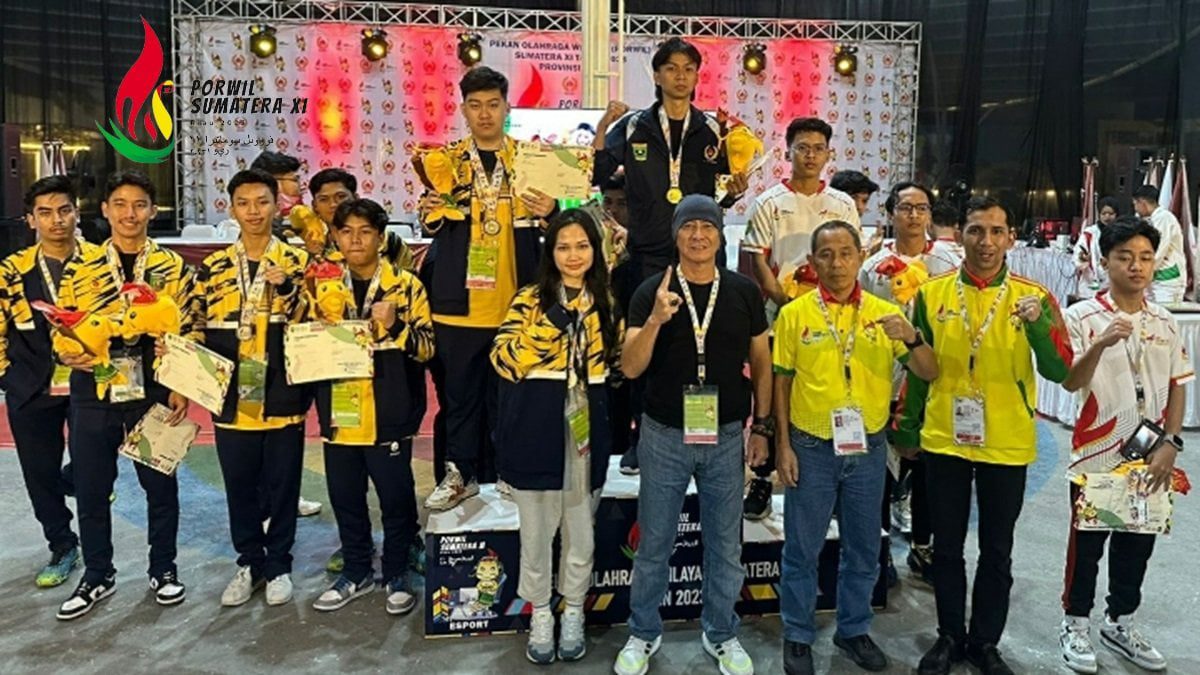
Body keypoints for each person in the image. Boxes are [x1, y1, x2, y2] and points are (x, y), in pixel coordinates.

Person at [895, 195, 1073, 675]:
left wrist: (1039, 327)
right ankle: (950, 636)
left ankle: (985, 642)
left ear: (1011, 238)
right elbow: (918, 368)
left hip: (1007, 440)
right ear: (960, 236)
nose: (986, 241)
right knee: (946, 547)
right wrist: (907, 427)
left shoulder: (1033, 298)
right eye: (976, 230)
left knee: (997, 549)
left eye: (997, 231)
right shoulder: (930, 294)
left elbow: (1059, 370)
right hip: (944, 437)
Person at [614, 195, 770, 675]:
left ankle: (721, 632)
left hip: (725, 436)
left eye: (707, 226)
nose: (698, 235)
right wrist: (656, 321)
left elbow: (762, 363)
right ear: (675, 234)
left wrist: (762, 427)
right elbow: (630, 366)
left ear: (721, 235)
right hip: (663, 435)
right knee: (654, 543)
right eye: (688, 226)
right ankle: (643, 632)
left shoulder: (743, 292)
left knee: (725, 545)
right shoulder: (651, 291)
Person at [775, 221, 938, 675]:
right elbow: (781, 383)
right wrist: (782, 445)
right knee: (802, 549)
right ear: (813, 261)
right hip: (810, 446)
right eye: (826, 255)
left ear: (859, 258)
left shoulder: (886, 314)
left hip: (867, 448)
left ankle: (853, 629)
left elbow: (928, 371)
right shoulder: (795, 314)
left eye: (846, 253)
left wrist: (911, 336)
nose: (837, 264)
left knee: (864, 549)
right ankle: (797, 634)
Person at [52, 170, 195, 620]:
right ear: (105, 210)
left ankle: (164, 569)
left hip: (153, 388)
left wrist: (179, 385)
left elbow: (189, 328)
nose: (129, 214)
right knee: (92, 488)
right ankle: (98, 574)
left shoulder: (172, 267)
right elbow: (63, 322)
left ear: (153, 211)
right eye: (120, 204)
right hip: (94, 389)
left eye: (139, 205)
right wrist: (67, 350)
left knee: (160, 485)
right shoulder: (82, 266)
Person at [419, 66, 558, 510]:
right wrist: (431, 209)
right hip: (457, 307)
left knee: (514, 399)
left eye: (493, 105)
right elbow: (428, 221)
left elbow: (559, 223)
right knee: (460, 400)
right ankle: (460, 474)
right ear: (463, 110)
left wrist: (553, 209)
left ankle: (510, 474)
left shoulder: (530, 160)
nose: (484, 114)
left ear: (506, 108)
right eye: (475, 105)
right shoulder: (445, 163)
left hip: (517, 305)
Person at [490, 208, 622, 664]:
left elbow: (618, 364)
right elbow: (504, 360)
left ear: (596, 250)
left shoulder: (606, 300)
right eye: (563, 246)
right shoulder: (529, 299)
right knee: (537, 529)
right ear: (550, 252)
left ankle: (574, 610)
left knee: (581, 528)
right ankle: (541, 612)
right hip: (536, 423)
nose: (573, 255)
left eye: (582, 246)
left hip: (587, 423)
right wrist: (554, 320)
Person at [1057, 216, 1188, 674]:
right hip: (1097, 454)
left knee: (1137, 545)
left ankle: (1120, 622)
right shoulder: (1080, 316)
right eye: (1125, 257)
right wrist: (1100, 344)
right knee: (1087, 548)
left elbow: (1177, 384)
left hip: (1151, 457)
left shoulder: (1166, 321)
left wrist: (1171, 442)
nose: (1137, 267)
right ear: (1105, 262)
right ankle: (1075, 623)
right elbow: (1070, 381)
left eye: (1146, 258)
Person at [307, 198, 435, 616]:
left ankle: (397, 572)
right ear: (335, 237)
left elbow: (427, 349)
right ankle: (357, 570)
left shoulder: (406, 285)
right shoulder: (321, 283)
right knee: (345, 498)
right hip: (339, 411)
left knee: (396, 501)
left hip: (389, 413)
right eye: (346, 232)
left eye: (365, 232)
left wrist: (395, 325)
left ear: (381, 238)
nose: (356, 240)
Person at [194, 169, 310, 609]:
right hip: (231, 396)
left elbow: (318, 319)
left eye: (262, 202)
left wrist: (289, 288)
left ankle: (278, 564)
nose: (254, 211)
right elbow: (196, 324)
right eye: (243, 203)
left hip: (282, 392)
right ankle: (250, 562)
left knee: (283, 486)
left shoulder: (297, 262)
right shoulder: (215, 267)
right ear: (231, 209)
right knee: (240, 487)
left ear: (277, 205)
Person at [739, 116, 860, 521]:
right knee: (774, 393)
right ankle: (762, 477)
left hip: (835, 319)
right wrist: (787, 301)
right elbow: (758, 259)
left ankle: (833, 479)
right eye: (802, 148)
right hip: (783, 315)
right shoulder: (769, 202)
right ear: (788, 152)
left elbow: (851, 256)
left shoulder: (842, 204)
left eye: (818, 149)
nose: (810, 155)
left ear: (828, 154)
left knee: (829, 392)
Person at [592, 37, 750, 297]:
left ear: (697, 77)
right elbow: (595, 173)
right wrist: (602, 127)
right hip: (646, 253)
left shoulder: (714, 130)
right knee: (646, 320)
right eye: (671, 68)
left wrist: (734, 192)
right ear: (657, 76)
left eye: (688, 69)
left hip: (700, 252)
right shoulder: (634, 126)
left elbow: (722, 193)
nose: (681, 76)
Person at [860, 182, 961, 586]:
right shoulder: (873, 266)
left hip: (934, 376)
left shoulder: (949, 262)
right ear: (890, 213)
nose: (914, 215)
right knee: (881, 471)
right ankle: (880, 549)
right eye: (905, 208)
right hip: (886, 378)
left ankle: (923, 545)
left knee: (928, 470)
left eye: (922, 208)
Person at [1, 176, 98, 588]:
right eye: (45, 213)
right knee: (39, 473)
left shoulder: (101, 261)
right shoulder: (11, 270)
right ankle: (62, 544)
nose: (56, 220)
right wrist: (7, 375)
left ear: (77, 212)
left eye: (64, 210)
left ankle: (99, 554)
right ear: (30, 220)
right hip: (30, 386)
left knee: (94, 467)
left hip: (90, 382)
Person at [248, 150, 324, 520]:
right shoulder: (261, 232)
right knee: (257, 428)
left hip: (296, 342)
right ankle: (263, 505)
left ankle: (284, 498)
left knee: (289, 427)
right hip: (255, 344)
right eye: (294, 179)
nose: (300, 186)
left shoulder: (301, 225)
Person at [305, 168, 415, 271]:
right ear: (315, 206)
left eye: (341, 196)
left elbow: (411, 281)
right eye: (324, 199)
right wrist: (314, 256)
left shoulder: (390, 242)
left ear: (355, 198)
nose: (333, 204)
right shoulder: (315, 245)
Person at [1130, 185, 1186, 304]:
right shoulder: (1151, 219)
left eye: (1135, 204)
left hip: (1167, 279)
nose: (1135, 209)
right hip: (1153, 279)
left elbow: (1159, 249)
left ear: (1142, 202)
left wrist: (1145, 271)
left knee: (1165, 314)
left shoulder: (1164, 218)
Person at [1073, 196, 1119, 300]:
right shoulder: (1090, 233)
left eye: (1111, 214)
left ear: (1116, 214)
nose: (1107, 217)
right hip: (1090, 284)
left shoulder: (1121, 234)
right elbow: (1077, 256)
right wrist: (1083, 258)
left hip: (1112, 283)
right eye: (1103, 214)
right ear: (1099, 214)